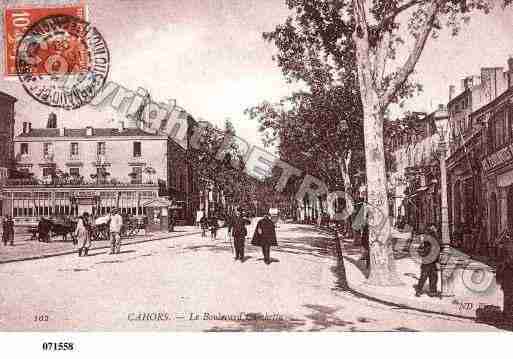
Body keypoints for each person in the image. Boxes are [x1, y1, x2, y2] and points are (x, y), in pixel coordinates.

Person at [414, 226, 440, 297]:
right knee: (427, 276)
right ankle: (422, 290)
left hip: (431, 261)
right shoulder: (429, 238)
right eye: (434, 228)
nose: (435, 229)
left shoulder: (432, 238)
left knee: (431, 276)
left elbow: (437, 249)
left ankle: (431, 291)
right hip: (429, 260)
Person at [496, 243, 513, 326]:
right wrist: (499, 279)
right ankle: (506, 316)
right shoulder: (504, 261)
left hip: (507, 281)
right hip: (507, 281)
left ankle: (507, 316)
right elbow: (500, 268)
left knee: (508, 299)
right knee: (507, 299)